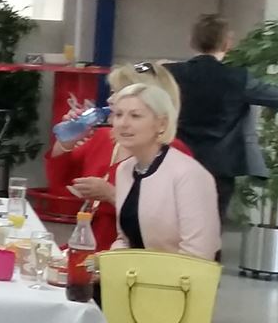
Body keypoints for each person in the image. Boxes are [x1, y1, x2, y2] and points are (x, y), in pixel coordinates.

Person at [48, 60, 193, 249]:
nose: (110, 100)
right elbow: (59, 182)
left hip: (138, 255)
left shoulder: (173, 153)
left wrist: (111, 194)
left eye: (119, 93)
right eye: (112, 92)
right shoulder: (104, 137)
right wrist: (66, 142)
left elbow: (169, 221)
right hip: (90, 247)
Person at [73, 82, 221, 260]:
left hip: (178, 275)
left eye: (135, 116)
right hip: (132, 273)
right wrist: (103, 263)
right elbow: (126, 239)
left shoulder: (189, 175)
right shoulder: (125, 170)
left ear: (161, 124)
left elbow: (199, 254)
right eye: (118, 115)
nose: (123, 123)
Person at [166, 14, 278, 221]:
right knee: (211, 225)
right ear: (227, 43)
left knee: (172, 221)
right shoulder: (238, 78)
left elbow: (137, 72)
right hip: (220, 168)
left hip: (176, 159)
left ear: (191, 41)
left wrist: (151, 66)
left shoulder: (171, 73)